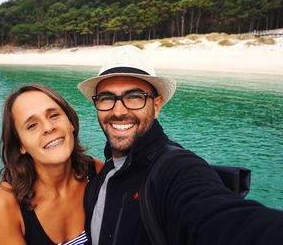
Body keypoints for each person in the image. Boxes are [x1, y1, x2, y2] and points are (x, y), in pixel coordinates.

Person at [77, 45, 283, 245]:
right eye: (106, 98)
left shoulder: (175, 169)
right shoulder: (104, 173)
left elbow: (225, 220)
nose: (119, 111)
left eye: (134, 97)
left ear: (156, 105)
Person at [0, 83, 102, 245]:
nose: (48, 127)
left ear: (70, 122)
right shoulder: (6, 204)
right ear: (20, 144)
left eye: (54, 115)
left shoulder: (96, 173)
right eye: (32, 125)